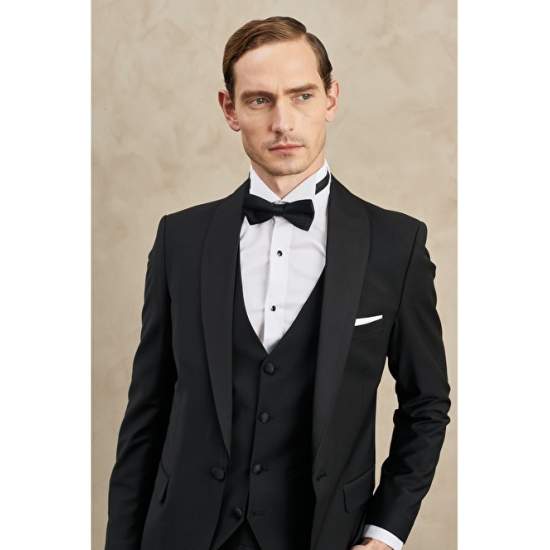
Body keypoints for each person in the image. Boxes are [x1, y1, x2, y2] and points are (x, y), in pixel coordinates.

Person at [104, 15, 451, 550]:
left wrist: (385, 534)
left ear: (331, 98)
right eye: (260, 100)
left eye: (302, 95)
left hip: (322, 533)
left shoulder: (395, 244)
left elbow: (426, 405)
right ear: (230, 110)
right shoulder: (181, 240)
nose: (283, 122)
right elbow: (146, 413)